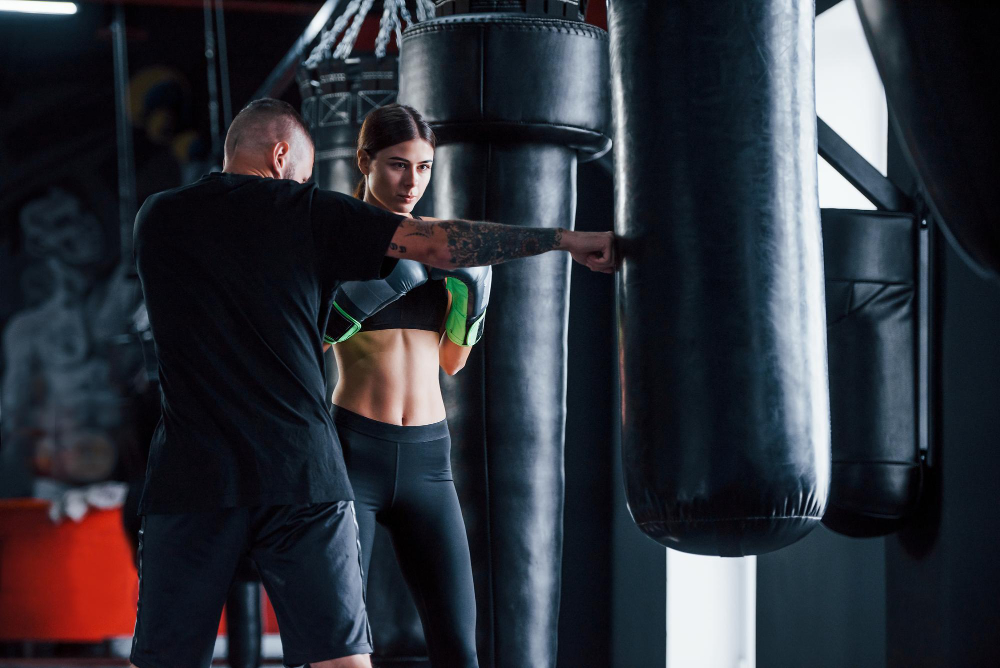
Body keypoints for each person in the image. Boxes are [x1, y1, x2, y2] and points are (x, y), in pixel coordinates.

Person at [129, 97, 614, 668]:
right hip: (304, 472)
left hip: (195, 473)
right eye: (303, 177)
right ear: (282, 156)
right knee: (343, 661)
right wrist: (563, 239)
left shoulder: (158, 217)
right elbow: (438, 242)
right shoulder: (308, 214)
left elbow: (450, 352)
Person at [321, 104, 485, 666]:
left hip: (429, 461)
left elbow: (451, 363)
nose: (411, 181)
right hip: (353, 454)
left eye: (423, 167)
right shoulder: (334, 243)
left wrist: (472, 304)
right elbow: (298, 348)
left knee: (459, 647)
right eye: (396, 166)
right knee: (337, 643)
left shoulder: (438, 247)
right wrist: (354, 302)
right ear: (364, 162)